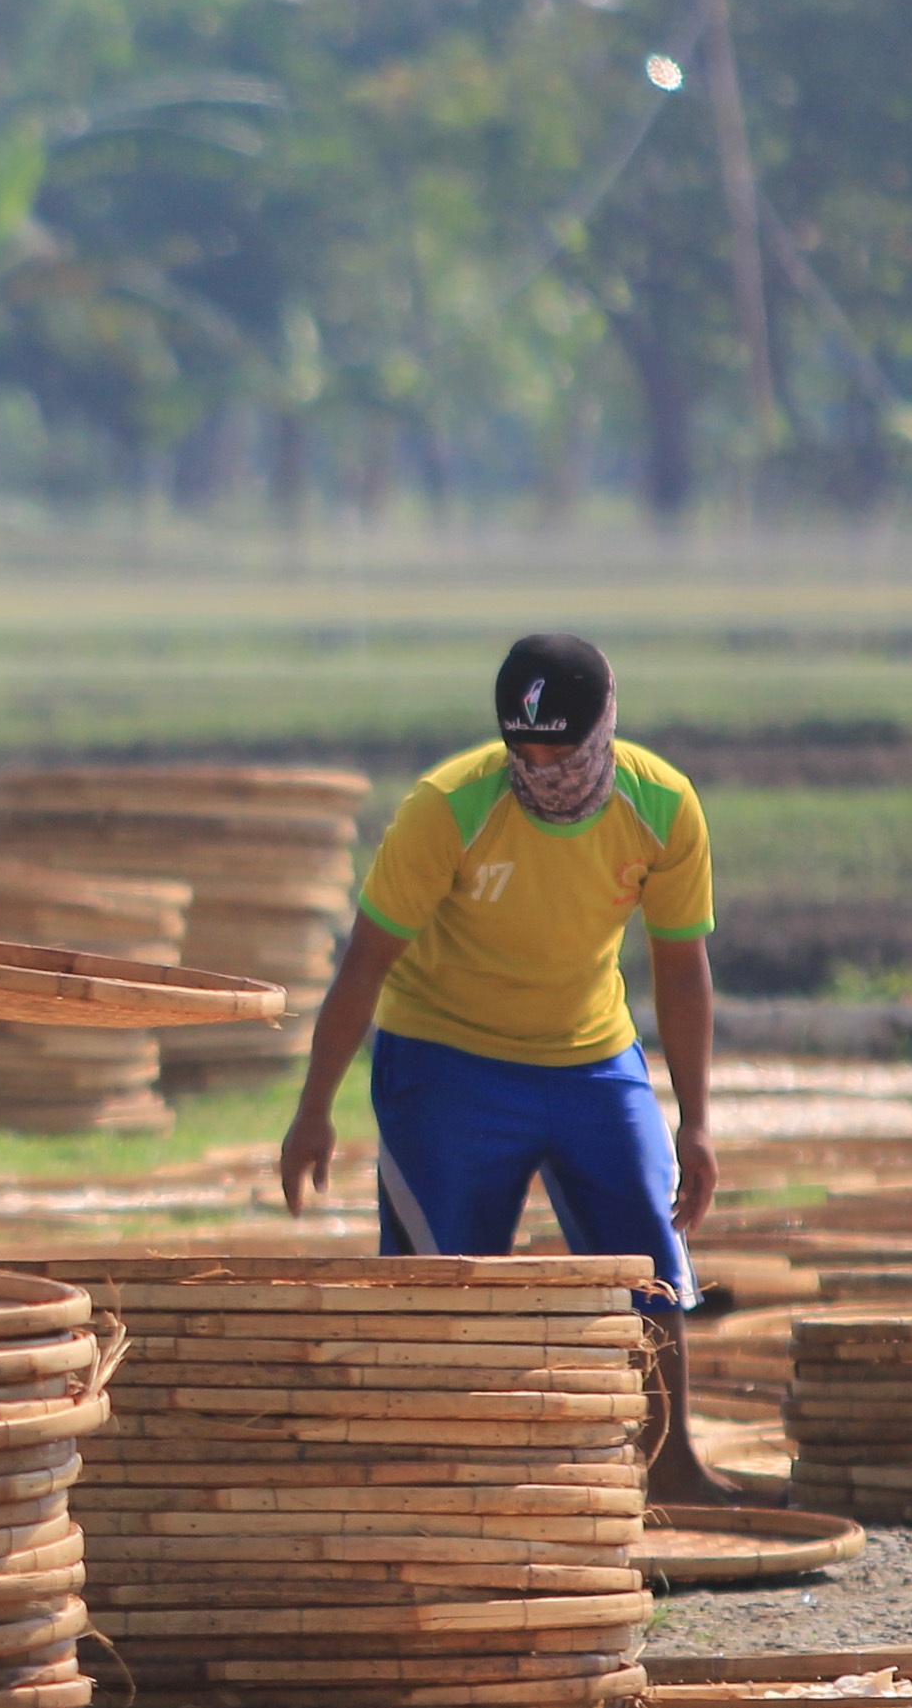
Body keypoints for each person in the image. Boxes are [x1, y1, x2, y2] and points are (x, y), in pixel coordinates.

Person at [276, 632, 735, 1506]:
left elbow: (682, 967)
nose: (544, 767)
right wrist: (314, 1110)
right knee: (442, 1286)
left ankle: (672, 1466)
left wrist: (697, 1117)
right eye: (524, 751)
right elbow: (364, 963)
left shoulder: (663, 807)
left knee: (651, 1259)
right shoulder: (447, 807)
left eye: (563, 749)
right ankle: (439, 1482)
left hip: (591, 1057)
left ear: (605, 730)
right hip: (447, 1064)